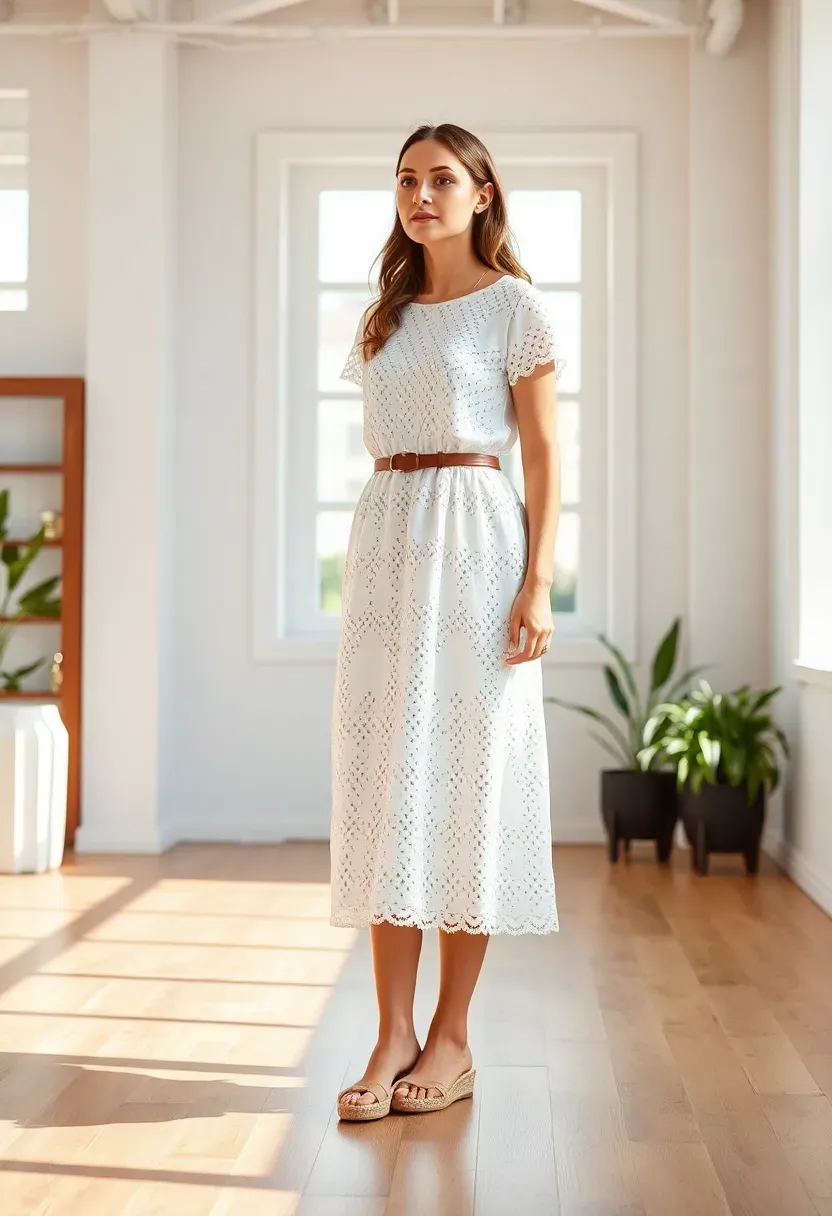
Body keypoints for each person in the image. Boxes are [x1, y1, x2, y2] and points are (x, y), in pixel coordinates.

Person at [330, 122, 563, 1123]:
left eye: (439, 179)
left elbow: (543, 455)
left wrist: (538, 580)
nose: (419, 195)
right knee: (388, 787)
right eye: (405, 181)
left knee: (470, 787)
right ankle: (390, 1033)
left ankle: (452, 1037)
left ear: (481, 193)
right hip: (388, 543)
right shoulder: (382, 316)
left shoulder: (516, 307)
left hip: (478, 544)